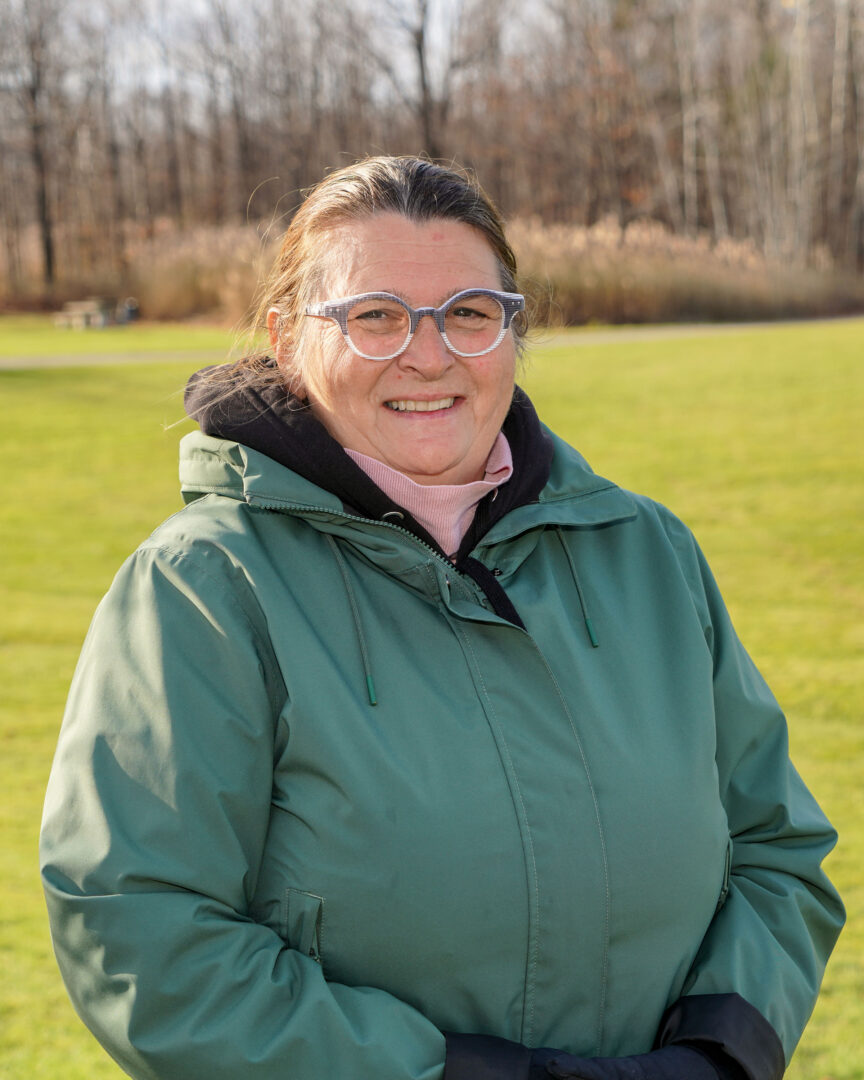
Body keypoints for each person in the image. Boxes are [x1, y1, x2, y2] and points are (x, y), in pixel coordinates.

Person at [40, 156, 843, 1080]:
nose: (429, 354)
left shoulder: (649, 554)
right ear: (287, 338)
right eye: (374, 316)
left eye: (469, 312)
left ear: (511, 332)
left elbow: (778, 851)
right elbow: (140, 929)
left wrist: (723, 1050)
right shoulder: (204, 587)